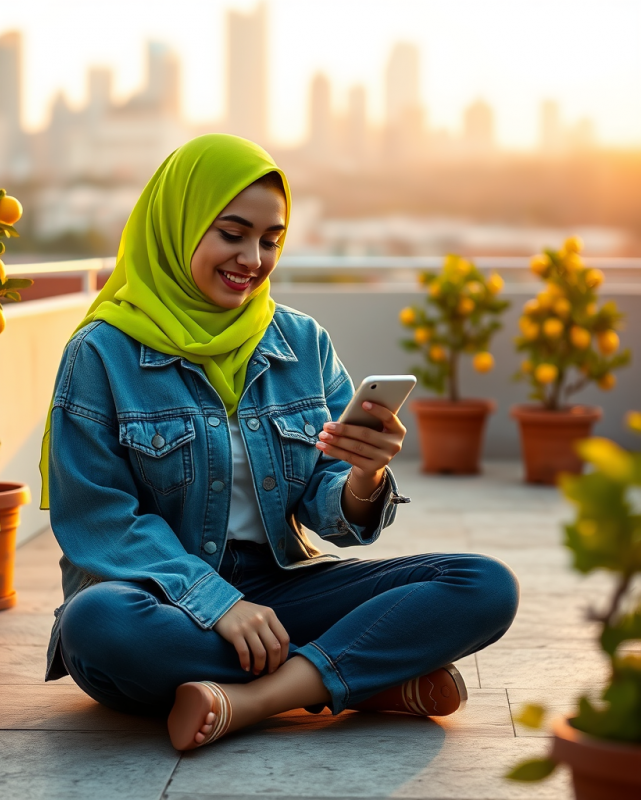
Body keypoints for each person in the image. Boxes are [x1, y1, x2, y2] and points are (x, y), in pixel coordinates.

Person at [38, 134, 519, 752]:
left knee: (483, 584)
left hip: (281, 590)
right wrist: (216, 603)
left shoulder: (301, 342)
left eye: (271, 240)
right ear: (178, 227)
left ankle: (254, 699)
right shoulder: (100, 353)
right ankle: (357, 677)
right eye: (232, 234)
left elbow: (325, 498)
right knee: (98, 627)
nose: (253, 259)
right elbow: (98, 520)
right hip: (159, 599)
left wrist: (363, 478)